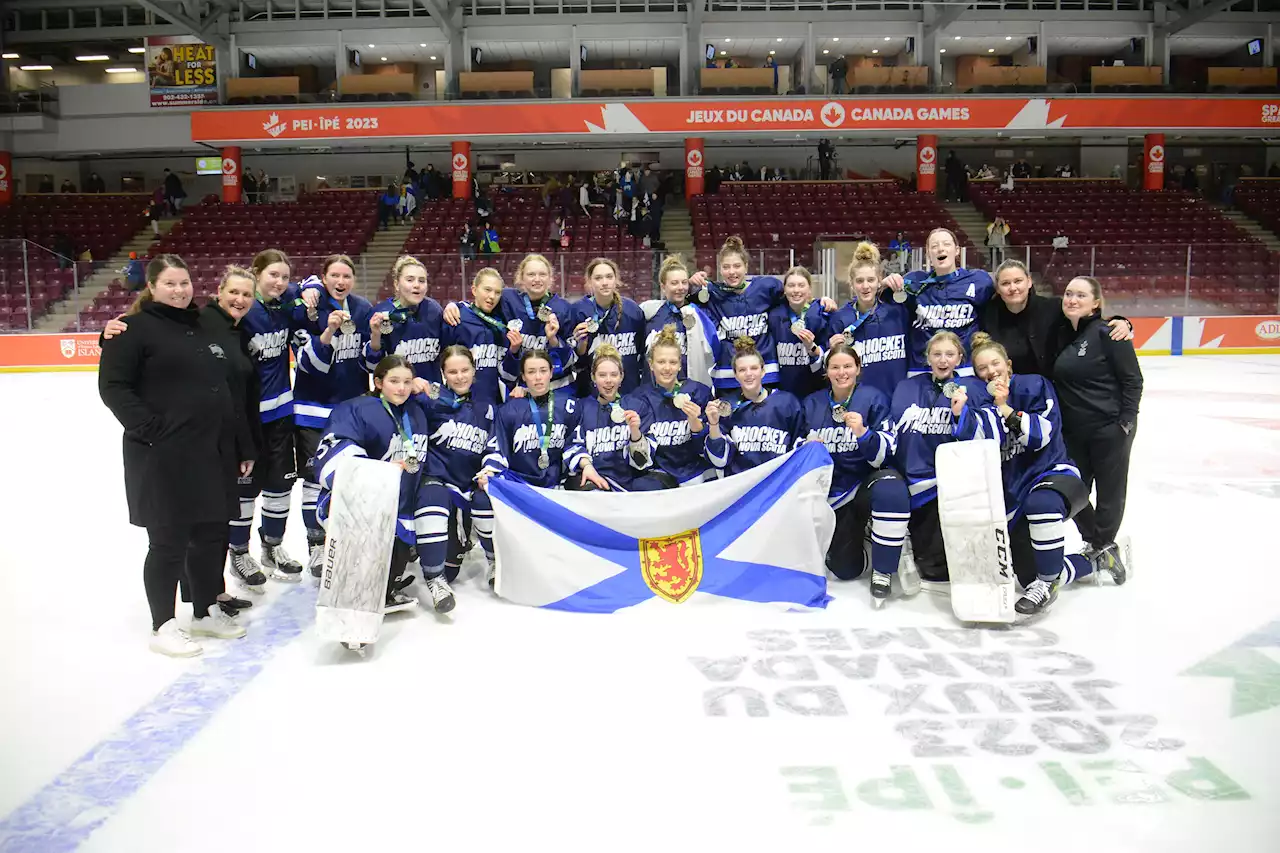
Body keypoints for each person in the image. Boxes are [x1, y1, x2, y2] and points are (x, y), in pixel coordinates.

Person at [98, 255, 249, 656]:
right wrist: (151, 429)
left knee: (209, 535)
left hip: (211, 451)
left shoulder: (202, 325)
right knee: (169, 540)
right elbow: (114, 388)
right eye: (170, 283)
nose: (180, 290)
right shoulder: (130, 330)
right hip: (163, 454)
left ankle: (203, 611)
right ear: (151, 286)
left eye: (185, 283)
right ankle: (163, 623)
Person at [970, 333, 1124, 617]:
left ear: (1009, 365)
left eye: (995, 363)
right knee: (1030, 578)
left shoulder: (1035, 385)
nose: (991, 371)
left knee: (1040, 504)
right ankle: (1096, 561)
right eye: (983, 368)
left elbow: (1040, 436)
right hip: (1015, 494)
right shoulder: (979, 402)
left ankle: (1048, 582)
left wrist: (1005, 408)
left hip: (1056, 476)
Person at [314, 355, 454, 614]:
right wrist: (382, 471)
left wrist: (426, 386)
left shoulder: (416, 410)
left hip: (400, 503)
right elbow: (334, 457)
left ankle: (406, 584)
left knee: (395, 561)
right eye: (394, 381)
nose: (401, 388)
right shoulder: (356, 409)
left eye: (407, 382)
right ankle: (350, 590)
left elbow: (456, 403)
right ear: (378, 382)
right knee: (366, 570)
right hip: (363, 506)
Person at [800, 343, 909, 605]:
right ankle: (869, 539)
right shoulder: (812, 403)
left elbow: (886, 454)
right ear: (827, 371)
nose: (842, 372)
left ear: (858, 369)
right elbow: (795, 453)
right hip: (831, 492)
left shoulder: (874, 397)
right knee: (845, 570)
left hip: (864, 484)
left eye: (848, 366)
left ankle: (883, 569)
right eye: (835, 367)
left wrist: (863, 433)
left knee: (893, 489)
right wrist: (809, 448)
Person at [1051, 276, 1142, 573]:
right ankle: (1101, 544)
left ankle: (1101, 543)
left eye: (1080, 295)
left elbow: (1133, 380)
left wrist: (1125, 422)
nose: (1072, 299)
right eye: (1067, 294)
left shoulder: (1107, 333)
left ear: (1096, 303)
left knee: (1110, 493)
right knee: (1074, 489)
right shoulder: (1063, 331)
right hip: (1074, 431)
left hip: (1109, 428)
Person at [888, 331, 991, 582]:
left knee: (940, 568)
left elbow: (981, 442)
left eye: (949, 354)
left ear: (959, 358)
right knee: (930, 567)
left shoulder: (973, 389)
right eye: (937, 354)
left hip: (950, 483)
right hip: (913, 479)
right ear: (927, 358)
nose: (943, 360)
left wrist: (960, 414)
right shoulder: (907, 387)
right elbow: (896, 434)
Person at [294, 254, 374, 575]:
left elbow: (370, 361)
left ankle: (346, 539)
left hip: (350, 411)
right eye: (334, 276)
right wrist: (327, 332)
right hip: (313, 410)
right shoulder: (307, 308)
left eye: (346, 276)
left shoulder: (363, 308)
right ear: (323, 277)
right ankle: (316, 544)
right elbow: (307, 366)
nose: (341, 282)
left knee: (349, 479)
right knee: (315, 481)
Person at [688, 236, 835, 392]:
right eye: (726, 267)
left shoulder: (766, 287)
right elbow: (682, 300)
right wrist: (691, 283)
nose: (732, 271)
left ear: (746, 266)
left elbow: (794, 297)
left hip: (766, 373)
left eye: (737, 266)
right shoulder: (712, 292)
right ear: (719, 269)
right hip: (728, 375)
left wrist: (819, 301)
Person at [418, 345, 497, 587]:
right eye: (453, 372)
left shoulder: (487, 407)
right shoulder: (428, 400)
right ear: (443, 374)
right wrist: (413, 385)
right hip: (439, 483)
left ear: (474, 371)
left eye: (465, 370)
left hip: (469, 485)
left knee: (487, 498)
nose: (460, 376)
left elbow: (494, 446)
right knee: (447, 574)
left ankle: (494, 559)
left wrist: (488, 470)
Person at [479, 348, 606, 491]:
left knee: (591, 488)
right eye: (531, 372)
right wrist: (488, 472)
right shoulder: (509, 409)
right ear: (524, 376)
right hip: (519, 484)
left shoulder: (568, 405)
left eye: (543, 371)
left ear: (551, 373)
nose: (538, 377)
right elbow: (498, 449)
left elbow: (574, 444)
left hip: (557, 482)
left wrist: (587, 466)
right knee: (483, 497)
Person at [881, 227, 994, 376]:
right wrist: (883, 285)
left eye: (946, 244)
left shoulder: (979, 280)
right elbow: (875, 303)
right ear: (928, 254)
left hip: (964, 369)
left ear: (957, 250)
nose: (940, 249)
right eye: (934, 246)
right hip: (921, 370)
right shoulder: (914, 281)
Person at [569, 344, 670, 491]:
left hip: (629, 480)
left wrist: (636, 433)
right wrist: (587, 466)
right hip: (595, 480)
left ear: (621, 377)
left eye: (614, 375)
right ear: (593, 377)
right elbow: (573, 445)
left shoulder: (637, 406)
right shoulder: (581, 408)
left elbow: (643, 462)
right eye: (602, 375)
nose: (608, 380)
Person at [705, 337, 804, 476]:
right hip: (742, 487)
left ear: (763, 371)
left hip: (778, 483)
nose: (749, 374)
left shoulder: (787, 403)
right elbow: (719, 461)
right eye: (742, 370)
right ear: (735, 375)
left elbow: (799, 449)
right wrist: (714, 424)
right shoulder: (726, 407)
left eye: (754, 368)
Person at [821, 242, 909, 399]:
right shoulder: (840, 318)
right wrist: (831, 350)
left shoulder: (897, 310)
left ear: (879, 280)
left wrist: (901, 285)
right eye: (860, 281)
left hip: (898, 398)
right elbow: (830, 365)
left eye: (871, 280)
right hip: (861, 402)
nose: (865, 286)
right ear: (852, 283)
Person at [632, 325, 717, 487]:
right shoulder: (639, 398)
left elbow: (712, 452)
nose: (667, 368)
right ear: (651, 364)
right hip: (660, 476)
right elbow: (640, 459)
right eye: (661, 362)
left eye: (672, 362)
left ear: (680, 364)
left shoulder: (699, 392)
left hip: (696, 473)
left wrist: (697, 425)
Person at [442, 268, 521, 409]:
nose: (492, 296)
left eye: (497, 292)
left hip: (496, 403)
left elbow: (508, 374)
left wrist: (513, 352)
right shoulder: (458, 317)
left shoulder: (503, 323)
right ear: (474, 290)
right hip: (463, 403)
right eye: (487, 290)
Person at [570, 258, 647, 395]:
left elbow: (641, 350)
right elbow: (577, 362)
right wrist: (580, 346)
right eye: (598, 278)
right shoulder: (578, 311)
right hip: (591, 394)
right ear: (590, 282)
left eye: (609, 277)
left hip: (629, 392)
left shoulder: (633, 310)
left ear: (616, 279)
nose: (604, 283)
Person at [365, 255, 444, 385]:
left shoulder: (434, 310)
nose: (417, 285)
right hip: (398, 394)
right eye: (410, 280)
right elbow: (372, 366)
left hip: (431, 394)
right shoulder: (380, 313)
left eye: (422, 280)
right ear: (396, 284)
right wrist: (375, 335)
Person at [768, 266, 824, 399]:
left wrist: (812, 347)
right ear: (785, 289)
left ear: (809, 289)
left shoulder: (820, 315)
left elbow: (826, 356)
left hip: (814, 391)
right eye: (791, 285)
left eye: (801, 285)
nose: (796, 290)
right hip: (783, 393)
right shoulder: (774, 316)